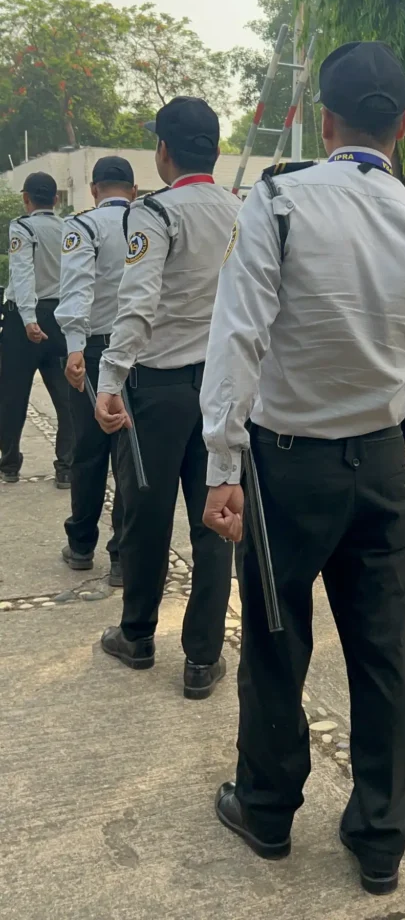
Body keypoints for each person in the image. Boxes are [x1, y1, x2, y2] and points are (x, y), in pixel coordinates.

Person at [201, 42, 405, 894]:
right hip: (383, 466)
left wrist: (222, 463)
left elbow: (237, 338)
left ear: (324, 121)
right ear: (403, 126)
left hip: (287, 467)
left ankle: (268, 811)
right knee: (382, 650)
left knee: (278, 639)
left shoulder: (279, 202)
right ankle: (381, 837)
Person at [94, 97, 240, 699]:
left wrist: (109, 377)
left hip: (155, 391)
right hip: (220, 389)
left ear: (162, 151)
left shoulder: (154, 212)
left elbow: (138, 303)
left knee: (147, 516)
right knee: (216, 520)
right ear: (215, 150)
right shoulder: (241, 211)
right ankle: (203, 658)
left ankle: (138, 635)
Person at [55, 156, 138, 585]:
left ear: (93, 189)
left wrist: (73, 347)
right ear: (134, 191)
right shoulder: (149, 223)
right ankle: (123, 555)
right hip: (140, 351)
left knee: (89, 452)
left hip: (92, 351)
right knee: (130, 454)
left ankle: (82, 546)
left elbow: (77, 288)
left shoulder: (83, 227)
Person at [0, 171, 72, 486]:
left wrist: (29, 318)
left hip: (23, 321)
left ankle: (10, 463)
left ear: (26, 198)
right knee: (66, 396)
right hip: (60, 317)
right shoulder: (69, 228)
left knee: (12, 394)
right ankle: (66, 466)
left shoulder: (22, 227)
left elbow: (22, 272)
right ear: (55, 199)